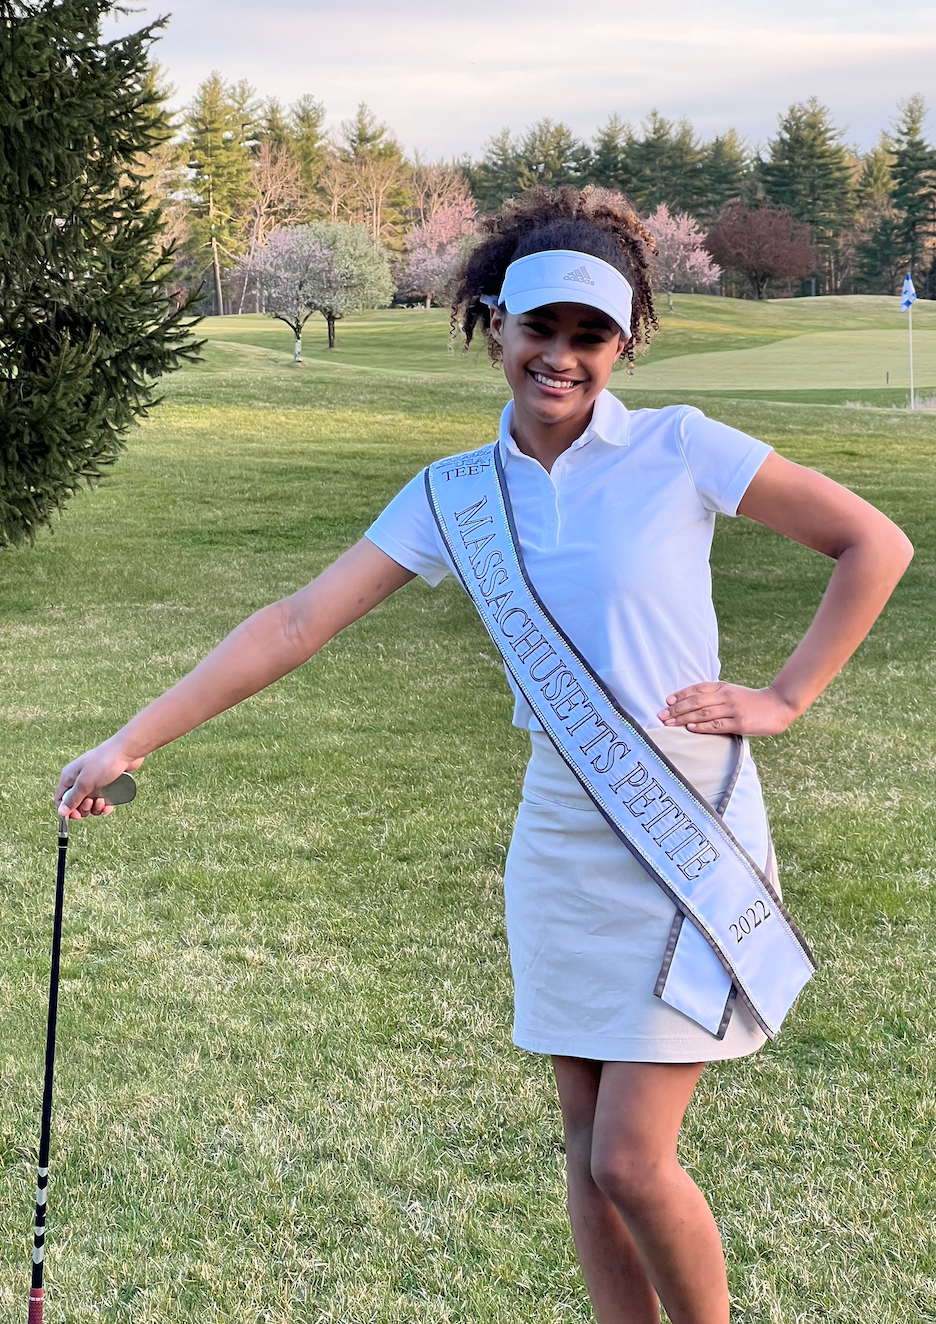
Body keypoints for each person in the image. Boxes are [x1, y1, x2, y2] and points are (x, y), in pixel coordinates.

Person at [57, 186, 913, 1324]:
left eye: (591, 334)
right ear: (494, 323)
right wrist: (129, 740)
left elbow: (873, 542)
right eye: (540, 327)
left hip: (684, 824)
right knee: (584, 1153)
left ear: (626, 342)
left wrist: (786, 696)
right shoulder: (455, 494)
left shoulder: (679, 446)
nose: (562, 356)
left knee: (631, 1159)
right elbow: (297, 622)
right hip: (558, 835)